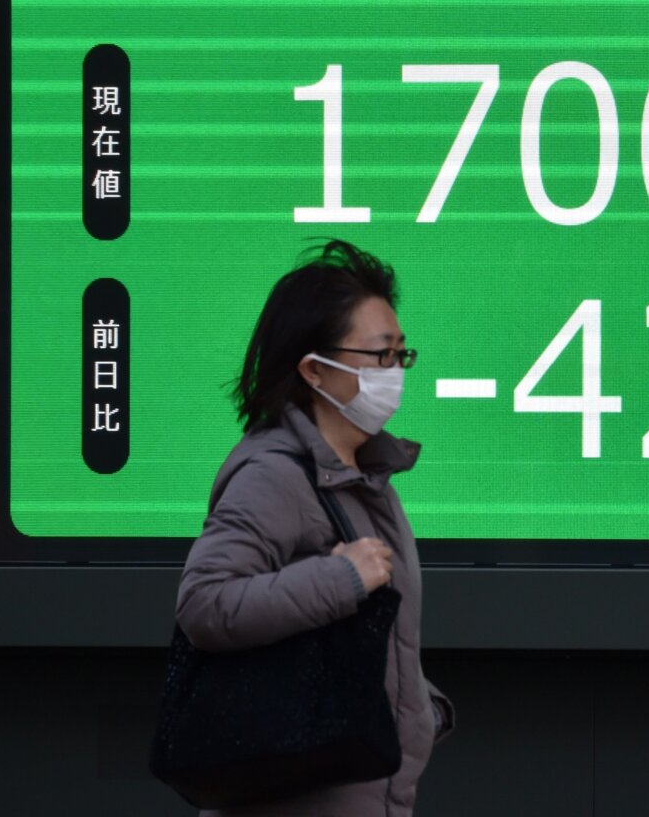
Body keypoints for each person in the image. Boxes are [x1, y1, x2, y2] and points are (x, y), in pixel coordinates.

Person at [175, 239, 453, 817]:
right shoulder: (274, 474)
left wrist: (415, 710)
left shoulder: (366, 473)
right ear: (314, 370)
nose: (395, 372)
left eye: (402, 355)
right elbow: (204, 603)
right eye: (380, 355)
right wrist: (340, 579)